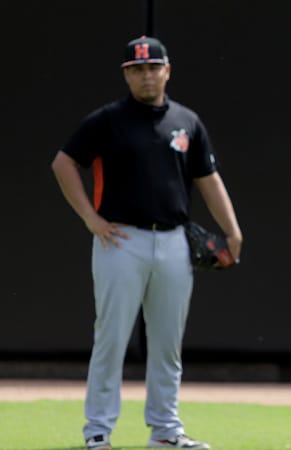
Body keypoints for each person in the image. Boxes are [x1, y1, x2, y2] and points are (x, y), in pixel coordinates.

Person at [51, 35, 243, 450]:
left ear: (167, 70)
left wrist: (232, 229)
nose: (146, 74)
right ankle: (98, 430)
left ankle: (166, 430)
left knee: (168, 343)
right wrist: (89, 217)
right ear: (126, 74)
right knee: (111, 337)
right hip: (120, 240)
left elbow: (207, 179)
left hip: (174, 241)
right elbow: (63, 162)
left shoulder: (187, 121)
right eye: (137, 69)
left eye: (153, 67)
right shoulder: (107, 120)